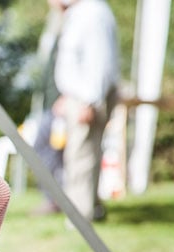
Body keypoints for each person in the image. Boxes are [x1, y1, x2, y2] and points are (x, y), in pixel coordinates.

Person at [53, 0, 119, 222]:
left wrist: (89, 101)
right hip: (80, 96)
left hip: (87, 99)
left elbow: (98, 61)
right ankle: (92, 210)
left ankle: (80, 219)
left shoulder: (92, 13)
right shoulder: (80, 13)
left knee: (82, 157)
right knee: (84, 154)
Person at [30, 0, 66, 216]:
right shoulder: (56, 26)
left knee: (49, 151)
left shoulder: (75, 21)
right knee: (50, 151)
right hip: (50, 103)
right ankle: (55, 199)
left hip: (61, 104)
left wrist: (65, 95)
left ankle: (55, 200)